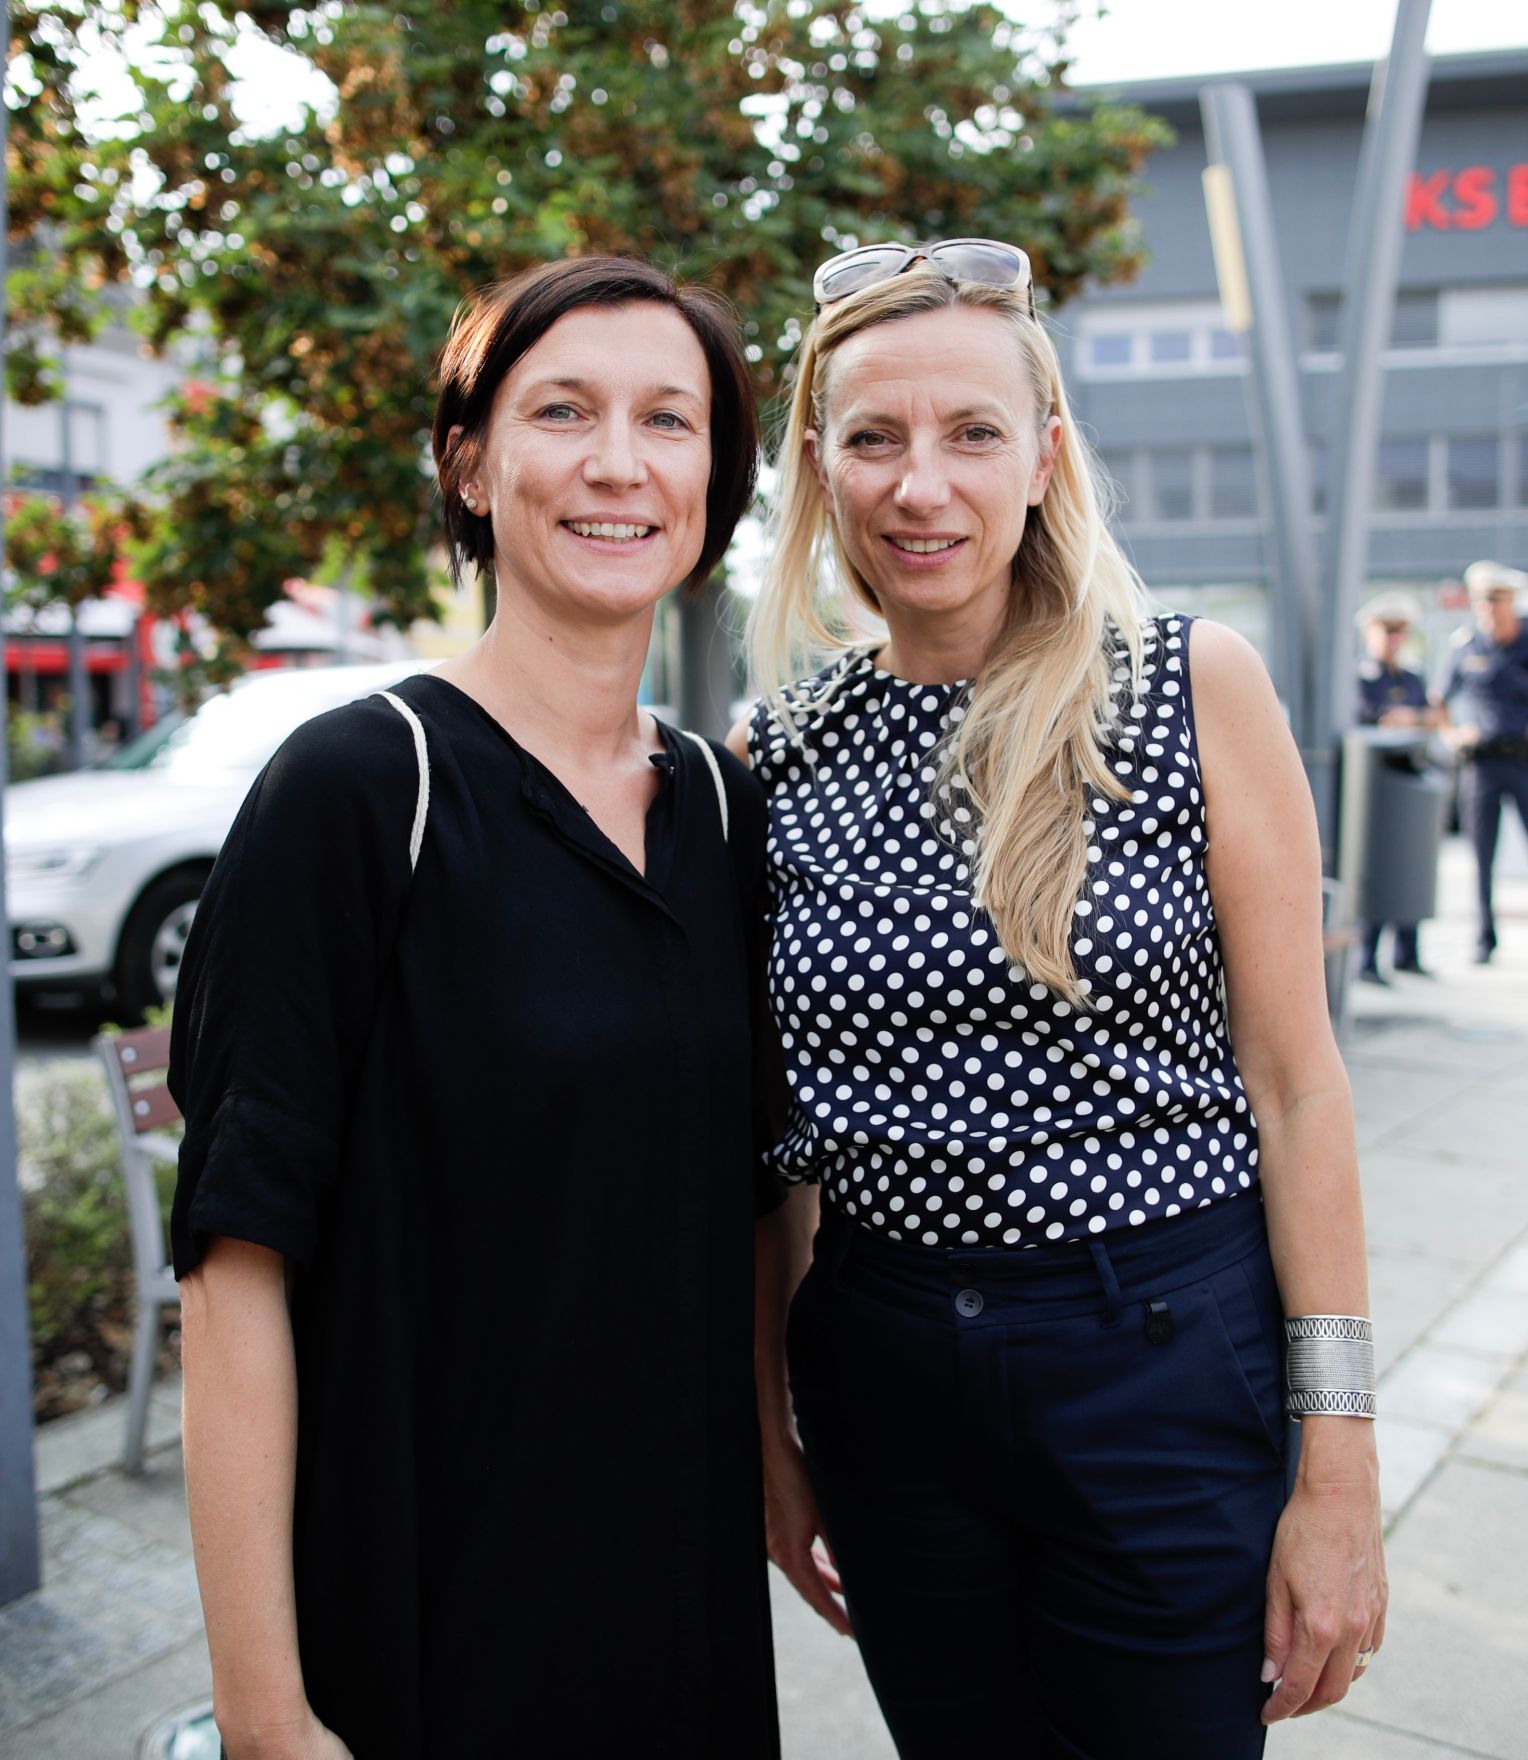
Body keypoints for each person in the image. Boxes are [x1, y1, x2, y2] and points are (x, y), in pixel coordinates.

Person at [730, 241, 1386, 1760]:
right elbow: (770, 1151)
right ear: (819, 474)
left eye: (971, 433)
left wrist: (1339, 1471)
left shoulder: (1184, 684)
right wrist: (770, 1440)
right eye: (874, 439)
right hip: (885, 1383)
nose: (922, 485)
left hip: (1159, 1359)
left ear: (1046, 455)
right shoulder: (776, 753)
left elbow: (1298, 1089)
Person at [170, 257, 781, 1760]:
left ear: (717, 476)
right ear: (469, 462)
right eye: (562, 411)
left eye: (670, 420)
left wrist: (786, 1470)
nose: (619, 464)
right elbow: (232, 1266)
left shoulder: (723, 808)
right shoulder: (361, 790)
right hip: (432, 1609)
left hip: (682, 1605)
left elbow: (753, 1205)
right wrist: (265, 1716)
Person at [1438, 560, 1528, 965]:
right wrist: (1453, 734)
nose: (1489, 607)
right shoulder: (1467, 645)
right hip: (1482, 765)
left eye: (1496, 599)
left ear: (1512, 601)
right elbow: (1439, 698)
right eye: (1481, 600)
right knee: (1482, 856)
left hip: (1524, 761)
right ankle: (1484, 937)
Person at [1353, 593, 1437, 981]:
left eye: (1400, 631)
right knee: (1379, 874)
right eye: (1387, 630)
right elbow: (1368, 723)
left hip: (1410, 785)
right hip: (1374, 790)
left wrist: (1412, 719)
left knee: (1412, 868)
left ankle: (1408, 952)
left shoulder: (1412, 677)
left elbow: (1430, 717)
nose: (1394, 639)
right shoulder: (1360, 678)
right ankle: (1369, 957)